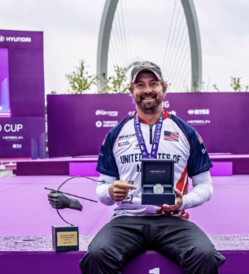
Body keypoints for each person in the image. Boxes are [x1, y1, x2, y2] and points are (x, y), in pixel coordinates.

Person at [81, 61, 224, 274]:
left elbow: (205, 186)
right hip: (127, 219)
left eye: (153, 83)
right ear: (131, 92)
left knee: (204, 256)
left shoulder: (186, 132)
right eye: (140, 84)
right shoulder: (115, 134)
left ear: (163, 88)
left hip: (171, 220)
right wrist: (111, 192)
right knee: (97, 255)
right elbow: (102, 190)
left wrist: (183, 201)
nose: (147, 89)